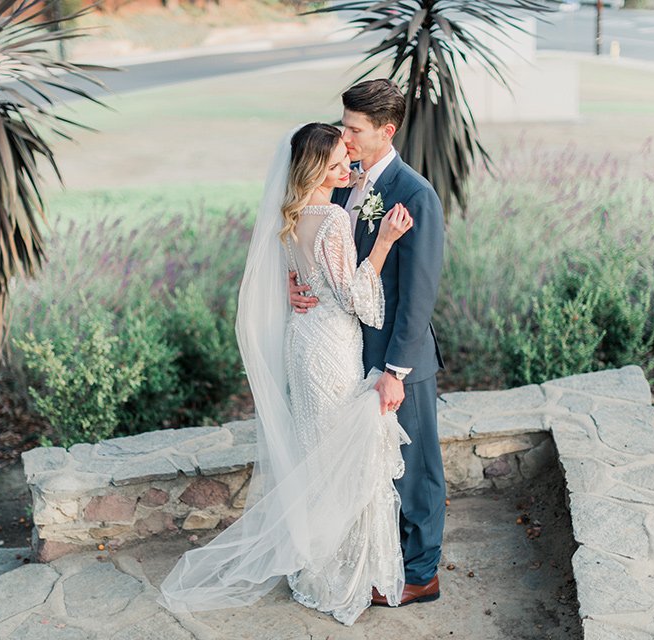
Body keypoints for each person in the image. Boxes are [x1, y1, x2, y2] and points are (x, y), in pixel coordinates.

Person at [157, 123, 414, 625]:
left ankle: (316, 566)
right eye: (341, 160)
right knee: (342, 454)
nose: (350, 167)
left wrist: (293, 292)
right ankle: (340, 573)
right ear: (318, 167)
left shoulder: (290, 213)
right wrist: (382, 242)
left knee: (316, 451)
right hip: (332, 348)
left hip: (302, 341)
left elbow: (291, 281)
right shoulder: (335, 220)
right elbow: (357, 300)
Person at [290, 79, 446, 607]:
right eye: (344, 125)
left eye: (355, 129)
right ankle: (382, 564)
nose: (345, 137)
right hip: (349, 352)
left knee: (418, 468)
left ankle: (421, 574)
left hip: (398, 361)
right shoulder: (343, 181)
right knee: (374, 469)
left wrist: (395, 370)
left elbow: (419, 293)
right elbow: (329, 260)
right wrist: (300, 282)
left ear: (387, 130)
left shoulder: (414, 193)